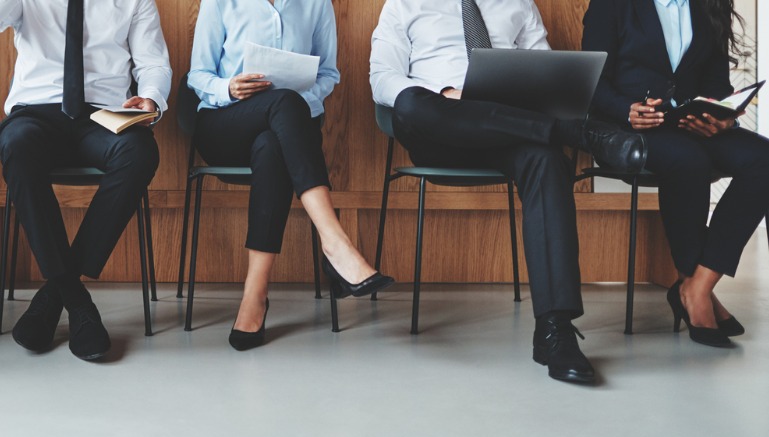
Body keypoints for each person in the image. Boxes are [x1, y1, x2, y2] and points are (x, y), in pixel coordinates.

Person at [370, 0, 646, 383]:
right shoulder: (404, 3)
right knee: (413, 103)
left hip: (507, 134)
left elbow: (551, 76)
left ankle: (555, 330)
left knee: (547, 160)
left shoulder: (518, 3)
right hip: (439, 128)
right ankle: (582, 136)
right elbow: (382, 78)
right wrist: (446, 93)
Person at [188, 0, 394, 351]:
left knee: (273, 143)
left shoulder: (316, 4)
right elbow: (198, 74)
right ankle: (336, 244)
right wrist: (229, 88)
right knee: (284, 105)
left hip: (284, 131)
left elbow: (328, 74)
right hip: (225, 124)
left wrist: (298, 104)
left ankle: (255, 293)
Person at [582, 0, 769, 347]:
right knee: (688, 160)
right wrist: (627, 110)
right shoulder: (611, 4)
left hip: (689, 124)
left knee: (763, 159)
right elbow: (591, 81)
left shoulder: (710, 4)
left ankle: (698, 284)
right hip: (630, 128)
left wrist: (722, 116)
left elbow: (716, 83)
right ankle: (693, 290)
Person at [0, 0, 172, 360]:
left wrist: (152, 98)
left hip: (103, 115)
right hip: (36, 112)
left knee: (139, 152)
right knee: (14, 145)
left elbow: (153, 62)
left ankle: (55, 293)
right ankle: (78, 304)